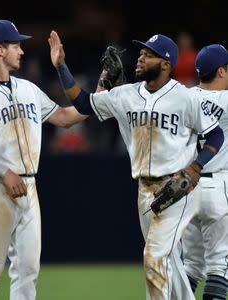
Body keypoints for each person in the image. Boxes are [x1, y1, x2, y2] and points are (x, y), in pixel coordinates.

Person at [48, 31, 224, 299]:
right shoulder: (126, 95)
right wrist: (62, 67)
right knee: (172, 265)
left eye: (148, 55)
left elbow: (215, 134)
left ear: (166, 64)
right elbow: (84, 102)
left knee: (154, 258)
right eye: (140, 54)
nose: (140, 59)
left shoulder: (186, 97)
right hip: (145, 190)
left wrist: (196, 167)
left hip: (178, 187)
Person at [0, 19, 88, 300]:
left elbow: (64, 118)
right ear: (0, 50)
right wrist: (4, 171)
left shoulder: (27, 88)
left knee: (28, 270)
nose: (22, 51)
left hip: (28, 188)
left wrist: (99, 96)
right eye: (17, 45)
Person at [182, 44, 228, 300]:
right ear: (220, 71)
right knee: (219, 266)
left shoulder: (184, 98)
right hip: (217, 186)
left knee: (191, 266)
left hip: (187, 187)